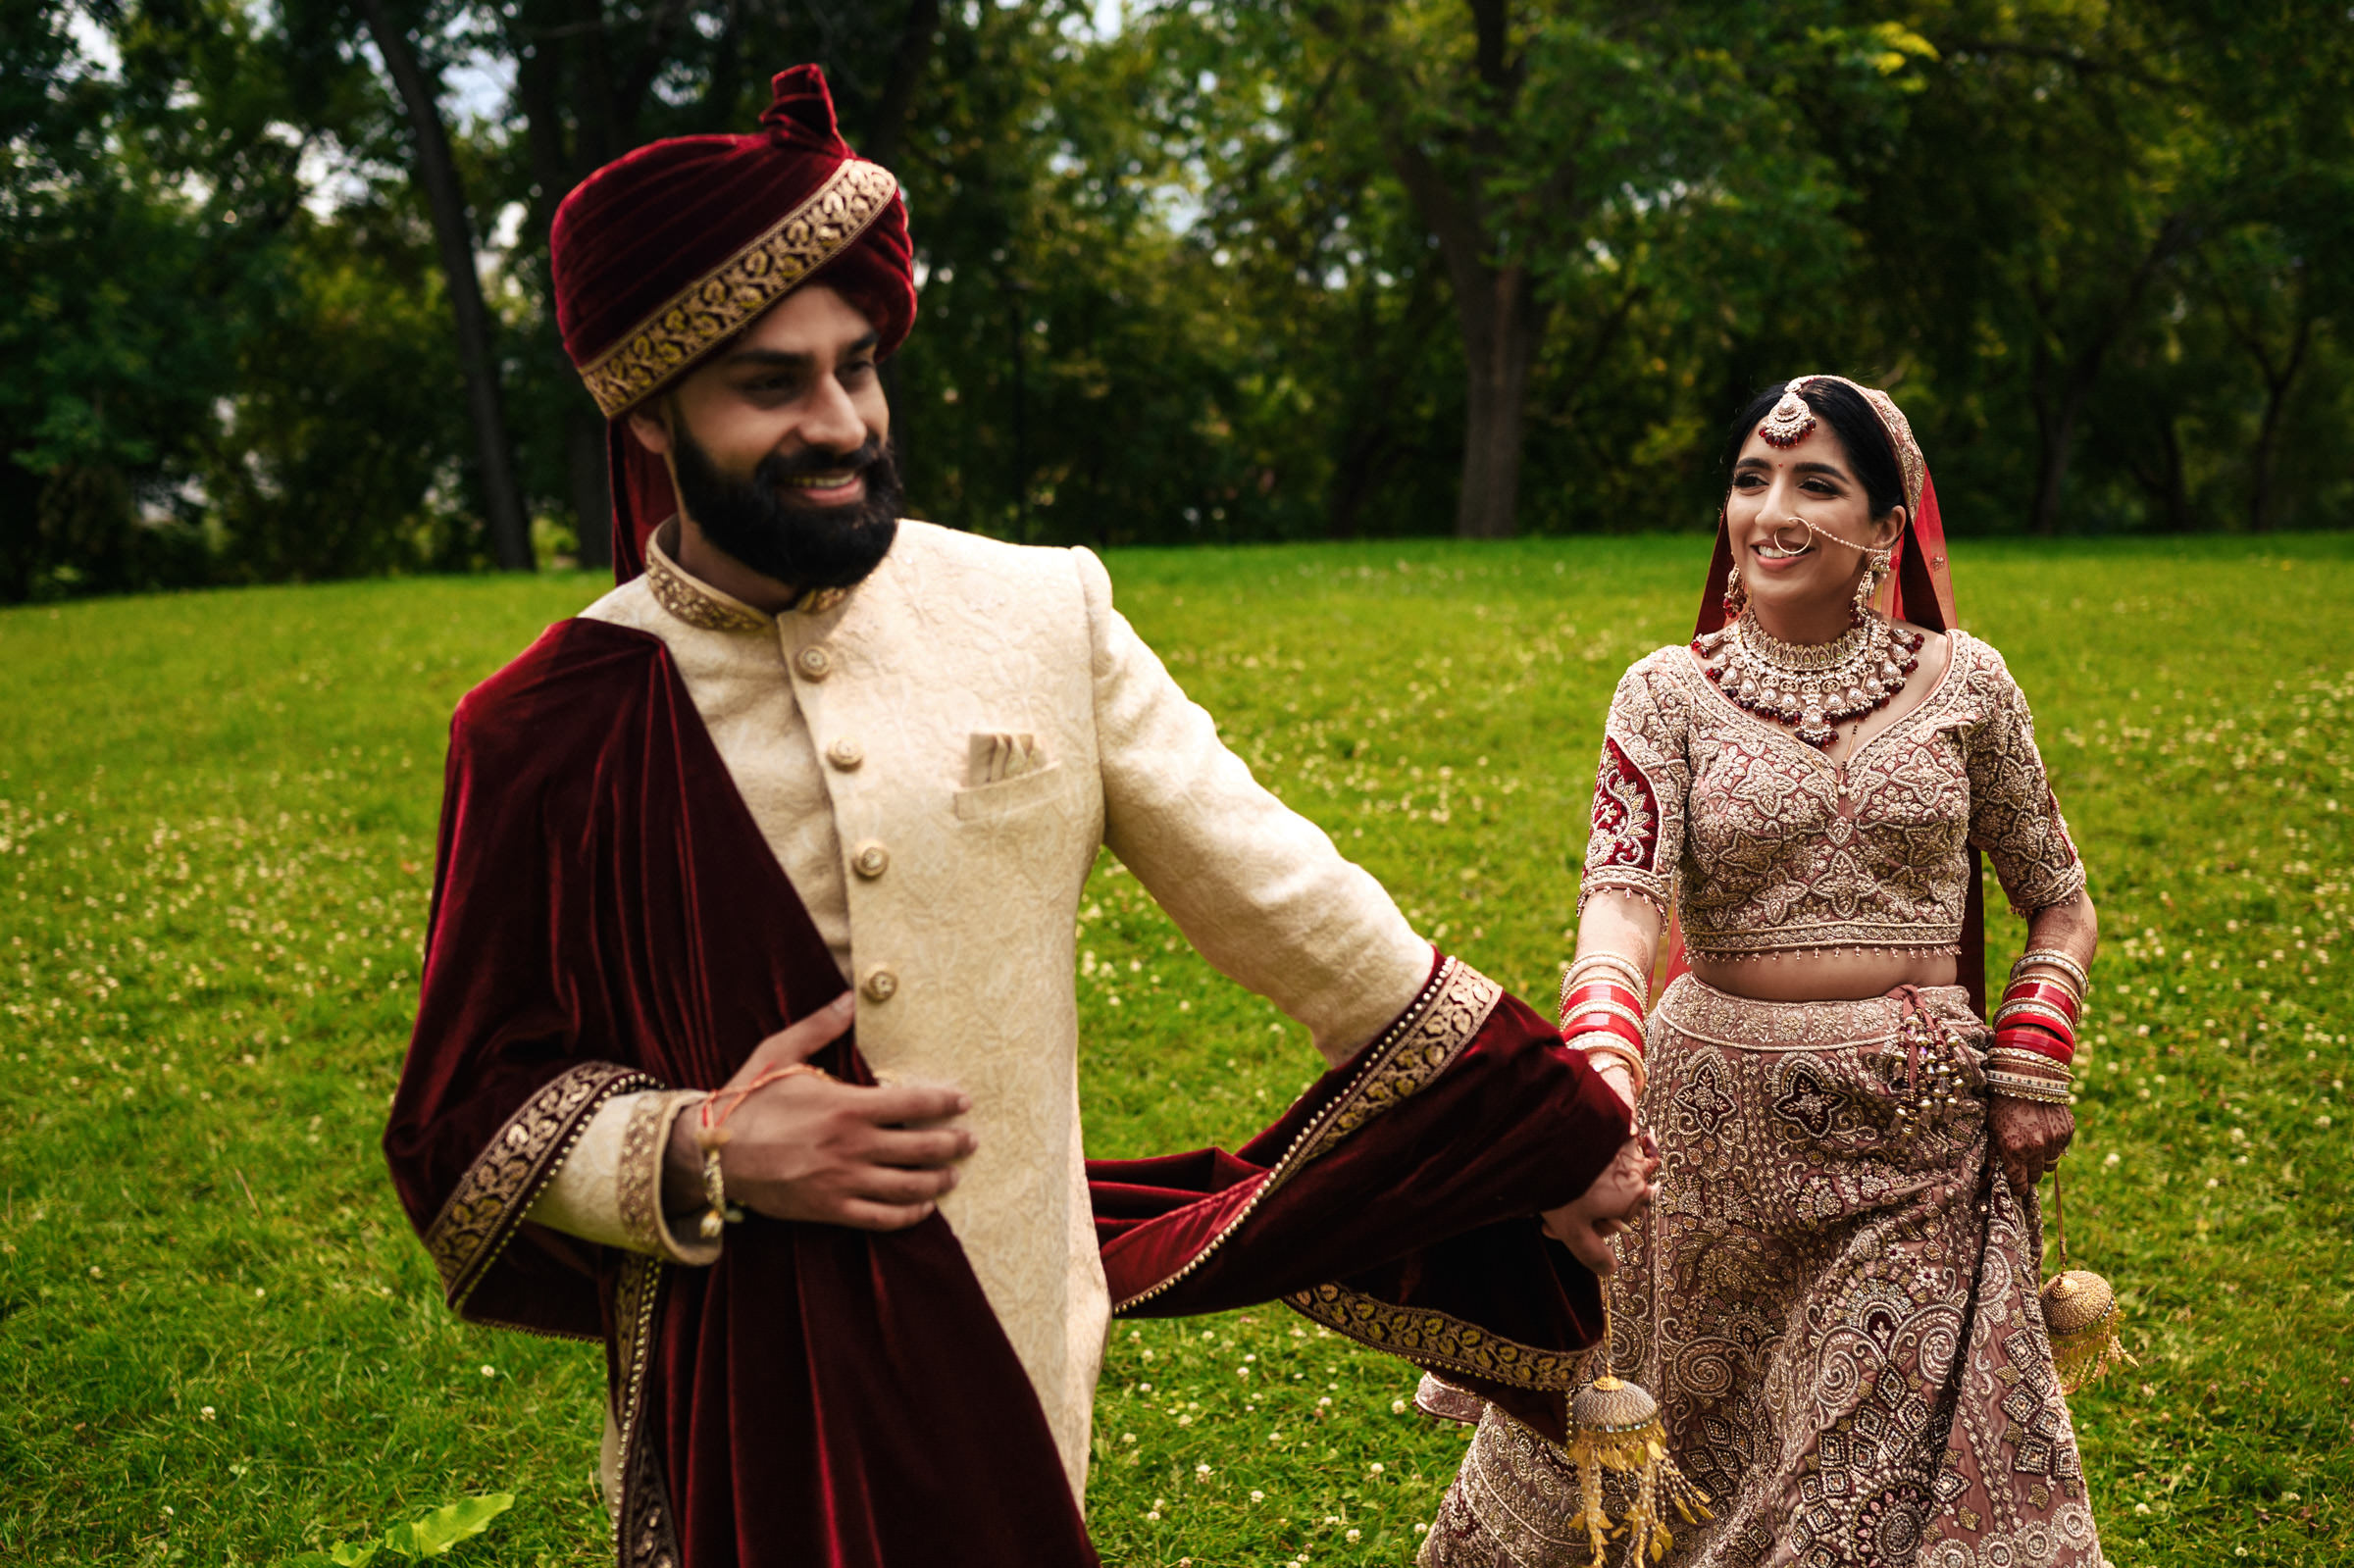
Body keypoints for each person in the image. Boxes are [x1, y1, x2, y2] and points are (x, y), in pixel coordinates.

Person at [381, 65, 1653, 1568]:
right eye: (773, 384)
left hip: (1019, 1347)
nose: (843, 419)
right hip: (739, 1409)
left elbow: (1291, 903)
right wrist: (700, 1143)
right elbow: (459, 1125)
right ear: (649, 414)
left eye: (859, 364)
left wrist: (1556, 1129)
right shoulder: (546, 725)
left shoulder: (1041, 607)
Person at [1416, 376, 2107, 1567]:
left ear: (1887, 530)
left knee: (1858, 1493)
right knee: (1689, 1476)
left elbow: (2059, 902)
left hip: (1915, 1151)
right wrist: (1598, 1083)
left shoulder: (1969, 686)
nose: (1772, 510)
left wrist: (2034, 1045)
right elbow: (1622, 911)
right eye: (1751, 479)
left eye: (1816, 484)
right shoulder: (1666, 694)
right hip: (1703, 1157)